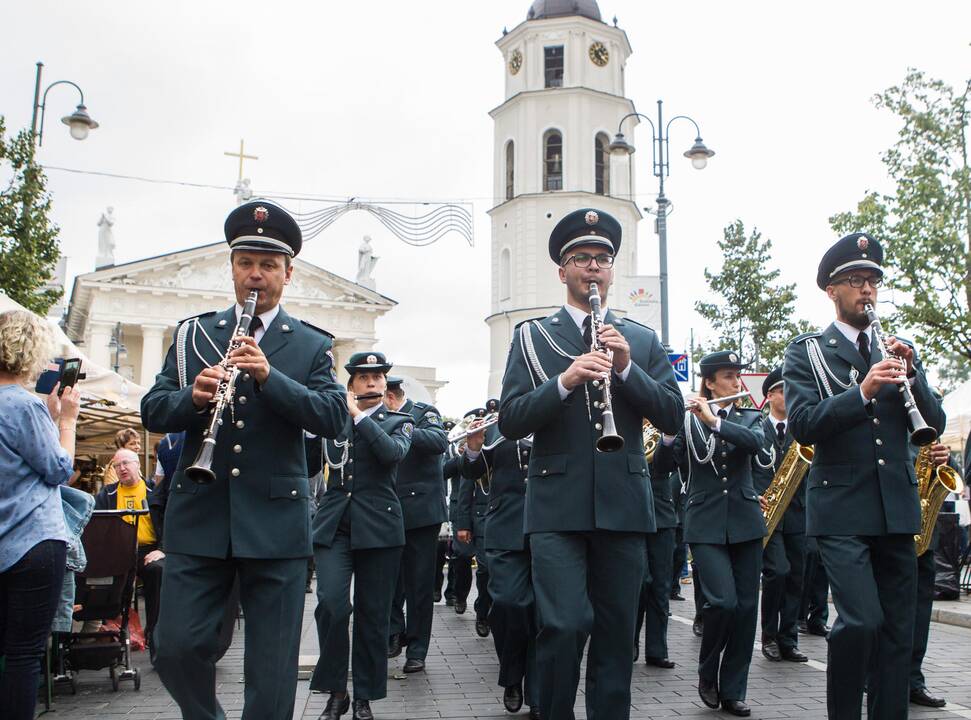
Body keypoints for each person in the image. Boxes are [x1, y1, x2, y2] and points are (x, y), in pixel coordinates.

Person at [140, 200, 347, 720]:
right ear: (232, 267)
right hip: (200, 517)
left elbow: (331, 417)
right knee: (176, 647)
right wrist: (193, 396)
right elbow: (152, 410)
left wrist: (269, 378)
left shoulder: (312, 344)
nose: (256, 275)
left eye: (268, 265)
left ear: (288, 273)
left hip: (276, 521)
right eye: (246, 263)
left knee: (273, 668)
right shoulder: (193, 336)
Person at [498, 208, 684, 720]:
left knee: (616, 634)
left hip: (624, 506)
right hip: (556, 506)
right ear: (563, 271)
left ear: (612, 270)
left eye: (603, 259)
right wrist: (565, 381)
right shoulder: (532, 337)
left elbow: (672, 414)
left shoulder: (640, 340)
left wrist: (625, 368)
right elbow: (511, 420)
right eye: (582, 258)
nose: (594, 267)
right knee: (562, 624)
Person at [783, 232, 946, 720]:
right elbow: (804, 424)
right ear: (832, 291)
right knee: (860, 622)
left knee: (898, 630)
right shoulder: (807, 353)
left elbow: (931, 424)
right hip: (840, 509)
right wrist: (863, 393)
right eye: (855, 281)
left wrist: (914, 376)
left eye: (873, 280)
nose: (867, 290)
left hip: (896, 507)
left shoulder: (897, 351)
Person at [311, 352, 412, 720]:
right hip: (335, 525)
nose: (371, 382)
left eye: (377, 376)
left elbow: (391, 455)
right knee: (332, 606)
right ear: (351, 384)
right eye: (363, 376)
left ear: (385, 384)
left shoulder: (400, 422)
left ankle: (364, 696)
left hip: (380, 528)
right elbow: (308, 463)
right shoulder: (332, 424)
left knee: (373, 615)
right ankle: (336, 691)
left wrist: (360, 418)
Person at [671, 351, 767, 717]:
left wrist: (715, 421)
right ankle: (707, 671)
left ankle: (734, 689)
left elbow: (755, 443)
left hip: (744, 521)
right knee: (722, 603)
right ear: (709, 383)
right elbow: (667, 463)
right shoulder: (688, 421)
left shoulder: (749, 416)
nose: (735, 383)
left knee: (745, 610)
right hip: (705, 522)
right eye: (727, 377)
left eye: (736, 376)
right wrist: (667, 434)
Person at [0, 309, 81, 719]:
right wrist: (66, 421)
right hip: (32, 540)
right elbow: (59, 468)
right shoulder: (22, 406)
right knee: (24, 654)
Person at [463, 404, 539, 718]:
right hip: (505, 528)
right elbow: (471, 472)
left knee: (543, 614)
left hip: (551, 524)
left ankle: (538, 691)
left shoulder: (563, 414)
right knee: (508, 605)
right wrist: (473, 447)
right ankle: (511, 675)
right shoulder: (500, 423)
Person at [383, 376, 448, 673]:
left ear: (392, 396)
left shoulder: (422, 413)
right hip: (387, 509)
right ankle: (394, 631)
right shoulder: (378, 417)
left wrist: (403, 427)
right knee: (389, 579)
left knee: (420, 584)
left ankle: (418, 648)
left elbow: (438, 441)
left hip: (421, 513)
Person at [754, 367, 809, 663]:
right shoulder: (756, 429)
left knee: (796, 576)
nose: (790, 397)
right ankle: (769, 636)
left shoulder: (802, 431)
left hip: (798, 513)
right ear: (770, 396)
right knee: (777, 571)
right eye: (784, 391)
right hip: (769, 514)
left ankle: (789, 638)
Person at [94, 448, 165, 660]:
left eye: (126, 463)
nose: (122, 468)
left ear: (138, 465)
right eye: (117, 465)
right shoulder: (107, 494)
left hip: (147, 550)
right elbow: (96, 526)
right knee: (105, 581)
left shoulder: (154, 491)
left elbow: (168, 523)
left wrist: (161, 549)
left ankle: (156, 639)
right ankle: (112, 637)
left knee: (158, 572)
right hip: (118, 551)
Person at [909, 438, 952, 708]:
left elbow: (952, 472)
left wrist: (943, 458)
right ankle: (875, 672)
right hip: (888, 531)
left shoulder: (927, 427)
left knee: (920, 612)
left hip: (923, 534)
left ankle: (913, 680)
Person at [635, 422, 679, 669]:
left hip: (661, 510)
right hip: (630, 509)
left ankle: (657, 649)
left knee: (660, 585)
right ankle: (629, 639)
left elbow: (667, 464)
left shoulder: (661, 421)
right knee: (638, 583)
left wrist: (668, 437)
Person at [454, 405, 494, 638]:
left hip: (505, 517)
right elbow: (465, 489)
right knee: (485, 570)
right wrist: (463, 525)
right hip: (481, 519)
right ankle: (482, 612)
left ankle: (492, 611)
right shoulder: (479, 451)